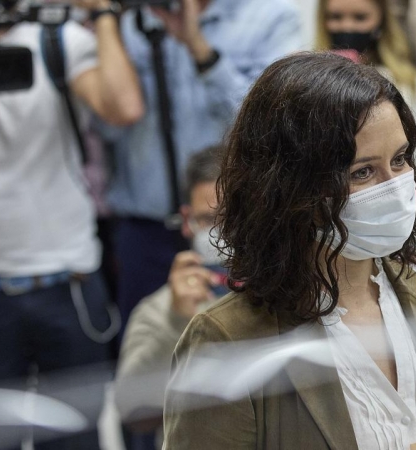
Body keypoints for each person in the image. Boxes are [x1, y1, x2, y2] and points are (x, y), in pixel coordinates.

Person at [163, 52, 416, 450]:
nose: (395, 186)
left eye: (400, 160)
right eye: (362, 172)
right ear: (289, 187)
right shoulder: (228, 339)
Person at [0, 0, 144, 447]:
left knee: (76, 435)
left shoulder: (58, 40)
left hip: (68, 278)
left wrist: (102, 14)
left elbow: (124, 108)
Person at [104, 0, 301, 333]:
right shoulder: (134, 22)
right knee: (148, 358)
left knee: (243, 351)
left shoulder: (272, 17)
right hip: (145, 232)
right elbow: (109, 125)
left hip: (234, 228)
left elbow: (272, 126)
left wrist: (199, 48)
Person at [314, 0, 416, 270]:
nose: (347, 27)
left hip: (414, 222)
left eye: (360, 17)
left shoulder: (411, 84)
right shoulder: (309, 92)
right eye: (336, 17)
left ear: (381, 20)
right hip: (342, 229)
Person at [114, 147, 224, 446]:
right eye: (208, 219)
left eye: (235, 216)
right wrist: (177, 321)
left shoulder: (290, 291)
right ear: (187, 220)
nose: (223, 234)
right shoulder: (159, 310)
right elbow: (136, 415)